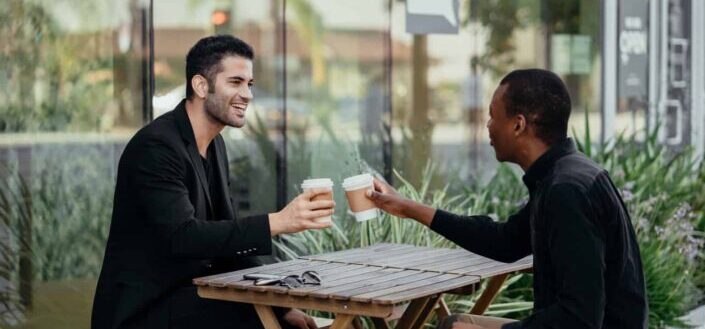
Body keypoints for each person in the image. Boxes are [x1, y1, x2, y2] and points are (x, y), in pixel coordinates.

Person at [367, 69, 648, 328]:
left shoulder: (566, 192)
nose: (487, 126)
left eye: (492, 116)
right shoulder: (561, 176)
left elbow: (580, 320)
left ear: (518, 125)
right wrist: (407, 207)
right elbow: (505, 241)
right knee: (453, 324)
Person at [91, 35, 333, 329]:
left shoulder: (215, 145)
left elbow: (228, 243)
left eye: (250, 84)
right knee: (250, 315)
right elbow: (184, 237)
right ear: (201, 85)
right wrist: (277, 222)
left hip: (190, 298)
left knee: (278, 319)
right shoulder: (156, 147)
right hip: (144, 311)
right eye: (235, 82)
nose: (248, 94)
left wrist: (281, 310)